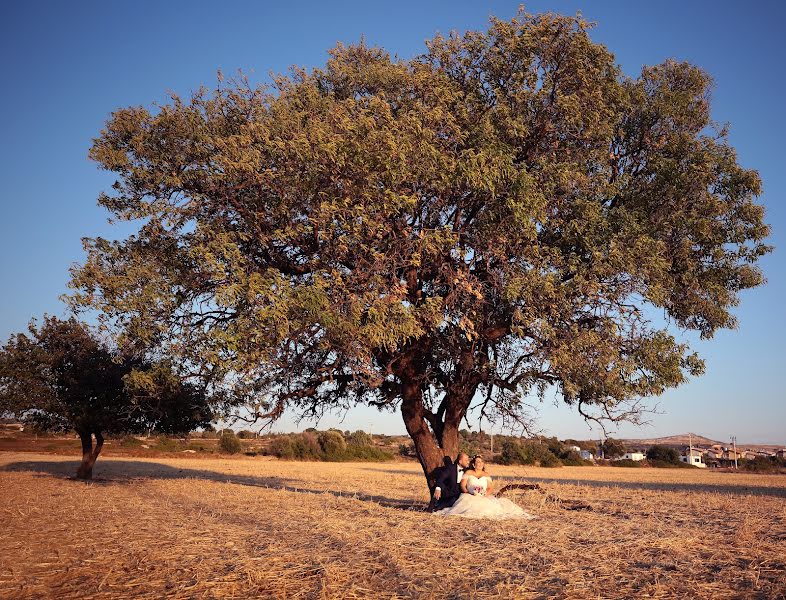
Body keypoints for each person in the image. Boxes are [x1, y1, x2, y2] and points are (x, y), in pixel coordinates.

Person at [434, 454, 536, 520]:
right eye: (477, 462)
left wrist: (484, 494)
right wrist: (468, 492)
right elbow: (462, 485)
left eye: (481, 462)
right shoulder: (468, 472)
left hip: (483, 496)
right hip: (469, 496)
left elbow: (490, 488)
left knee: (493, 510)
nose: (480, 464)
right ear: (473, 464)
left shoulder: (486, 474)